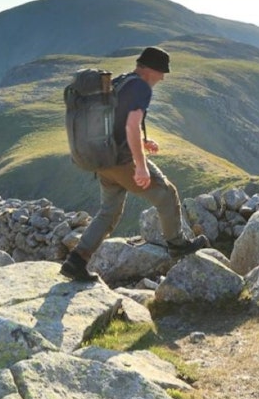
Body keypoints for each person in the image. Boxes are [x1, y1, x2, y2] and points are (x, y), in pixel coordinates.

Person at [61, 46, 208, 280]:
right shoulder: (140, 87)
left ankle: (76, 261)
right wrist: (140, 165)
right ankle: (177, 244)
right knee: (167, 194)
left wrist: (143, 141)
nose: (162, 78)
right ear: (151, 70)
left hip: (103, 159)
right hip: (122, 160)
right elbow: (131, 125)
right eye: (162, 72)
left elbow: (117, 122)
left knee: (108, 212)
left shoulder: (121, 81)